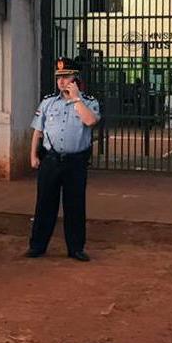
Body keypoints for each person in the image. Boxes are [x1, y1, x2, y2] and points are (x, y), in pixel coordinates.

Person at [27, 58, 101, 262]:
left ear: (76, 79)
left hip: (75, 162)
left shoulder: (88, 102)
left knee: (75, 205)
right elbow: (38, 131)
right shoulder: (48, 101)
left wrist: (76, 99)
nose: (61, 81)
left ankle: (76, 248)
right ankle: (37, 245)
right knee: (44, 204)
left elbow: (90, 121)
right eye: (59, 77)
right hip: (50, 160)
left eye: (66, 76)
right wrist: (33, 155)